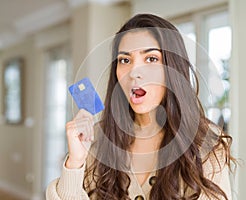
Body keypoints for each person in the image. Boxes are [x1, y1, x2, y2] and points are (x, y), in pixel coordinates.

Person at [46, 13, 235, 200]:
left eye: (151, 59)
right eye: (125, 60)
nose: (134, 72)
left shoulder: (207, 144)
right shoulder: (96, 141)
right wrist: (76, 162)